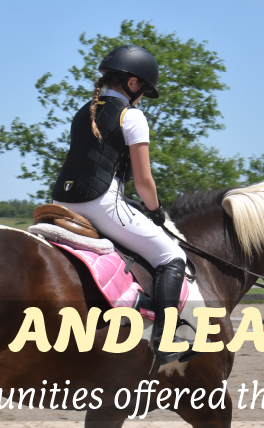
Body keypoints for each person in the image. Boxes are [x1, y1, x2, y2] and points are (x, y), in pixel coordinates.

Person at [51, 45, 194, 364]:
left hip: (61, 201)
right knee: (172, 256)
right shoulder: (132, 116)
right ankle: (166, 339)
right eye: (143, 90)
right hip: (100, 203)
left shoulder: (84, 110)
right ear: (132, 84)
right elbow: (143, 181)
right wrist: (156, 212)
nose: (142, 97)